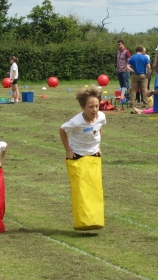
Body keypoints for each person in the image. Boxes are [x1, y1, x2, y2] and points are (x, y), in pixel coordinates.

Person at [59, 86, 107, 230]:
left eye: (97, 106)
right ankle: (83, 221)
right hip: (77, 155)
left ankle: (95, 220)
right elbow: (62, 130)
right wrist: (68, 150)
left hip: (93, 155)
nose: (94, 110)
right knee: (81, 190)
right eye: (90, 107)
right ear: (82, 107)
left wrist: (98, 146)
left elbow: (99, 129)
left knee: (94, 189)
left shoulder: (102, 117)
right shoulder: (76, 121)